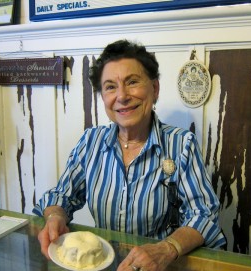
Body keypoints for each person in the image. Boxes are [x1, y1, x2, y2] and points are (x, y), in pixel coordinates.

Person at [33, 39, 226, 271]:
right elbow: (61, 196)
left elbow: (204, 214)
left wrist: (167, 249)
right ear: (103, 97)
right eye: (110, 87)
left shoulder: (181, 144)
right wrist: (55, 216)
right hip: (106, 264)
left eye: (132, 82)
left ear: (154, 89)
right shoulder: (90, 142)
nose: (122, 96)